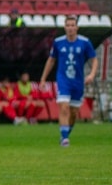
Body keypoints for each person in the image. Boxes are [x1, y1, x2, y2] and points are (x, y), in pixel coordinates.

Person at [39, 15, 99, 147]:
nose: (70, 28)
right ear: (65, 27)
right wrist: (43, 79)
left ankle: (65, 133)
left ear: (77, 27)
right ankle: (65, 139)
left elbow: (94, 59)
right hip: (63, 80)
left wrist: (92, 74)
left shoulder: (85, 42)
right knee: (64, 107)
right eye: (68, 25)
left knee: (73, 113)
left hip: (78, 81)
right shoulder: (58, 42)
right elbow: (51, 60)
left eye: (73, 25)